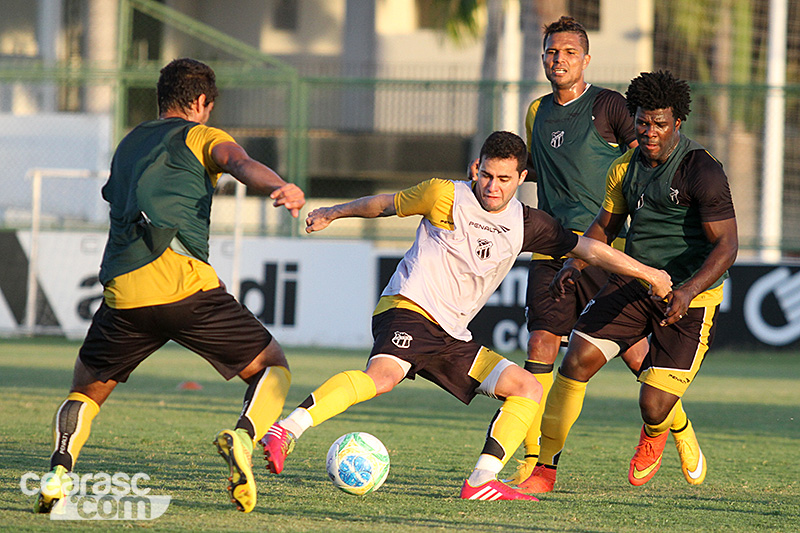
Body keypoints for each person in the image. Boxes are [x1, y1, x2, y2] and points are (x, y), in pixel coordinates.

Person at [259, 131, 671, 501]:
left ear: (522, 177)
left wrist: (647, 272)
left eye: (504, 179)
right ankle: (286, 430)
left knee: (527, 388)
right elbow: (385, 204)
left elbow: (588, 249)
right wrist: (334, 212)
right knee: (382, 377)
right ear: (477, 168)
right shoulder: (444, 195)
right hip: (409, 309)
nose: (493, 186)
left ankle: (481, 481)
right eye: (487, 175)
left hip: (452, 335)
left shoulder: (527, 224)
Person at [33, 58, 305, 515]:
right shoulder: (202, 135)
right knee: (272, 367)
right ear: (201, 102)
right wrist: (280, 187)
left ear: (163, 99)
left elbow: (115, 196)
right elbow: (239, 162)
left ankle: (60, 470)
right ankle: (242, 436)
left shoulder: (129, 143)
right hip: (186, 289)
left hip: (124, 295)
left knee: (84, 390)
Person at [519, 70, 738, 493]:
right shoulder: (624, 167)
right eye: (642, 122)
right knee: (576, 360)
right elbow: (605, 226)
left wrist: (688, 290)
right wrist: (574, 265)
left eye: (659, 123)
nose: (649, 131)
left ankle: (659, 431)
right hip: (635, 283)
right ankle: (544, 472)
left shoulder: (702, 169)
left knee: (653, 405)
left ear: (678, 123)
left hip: (692, 296)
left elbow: (727, 246)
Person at [505, 16, 698, 486]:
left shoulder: (609, 105)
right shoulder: (536, 111)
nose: (559, 59)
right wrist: (500, 169)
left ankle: (679, 425)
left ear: (586, 59)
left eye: (569, 52)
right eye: (552, 51)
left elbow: (647, 160)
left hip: (607, 249)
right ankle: (535, 461)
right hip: (554, 245)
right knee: (541, 345)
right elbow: (539, 168)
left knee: (638, 360)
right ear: (543, 57)